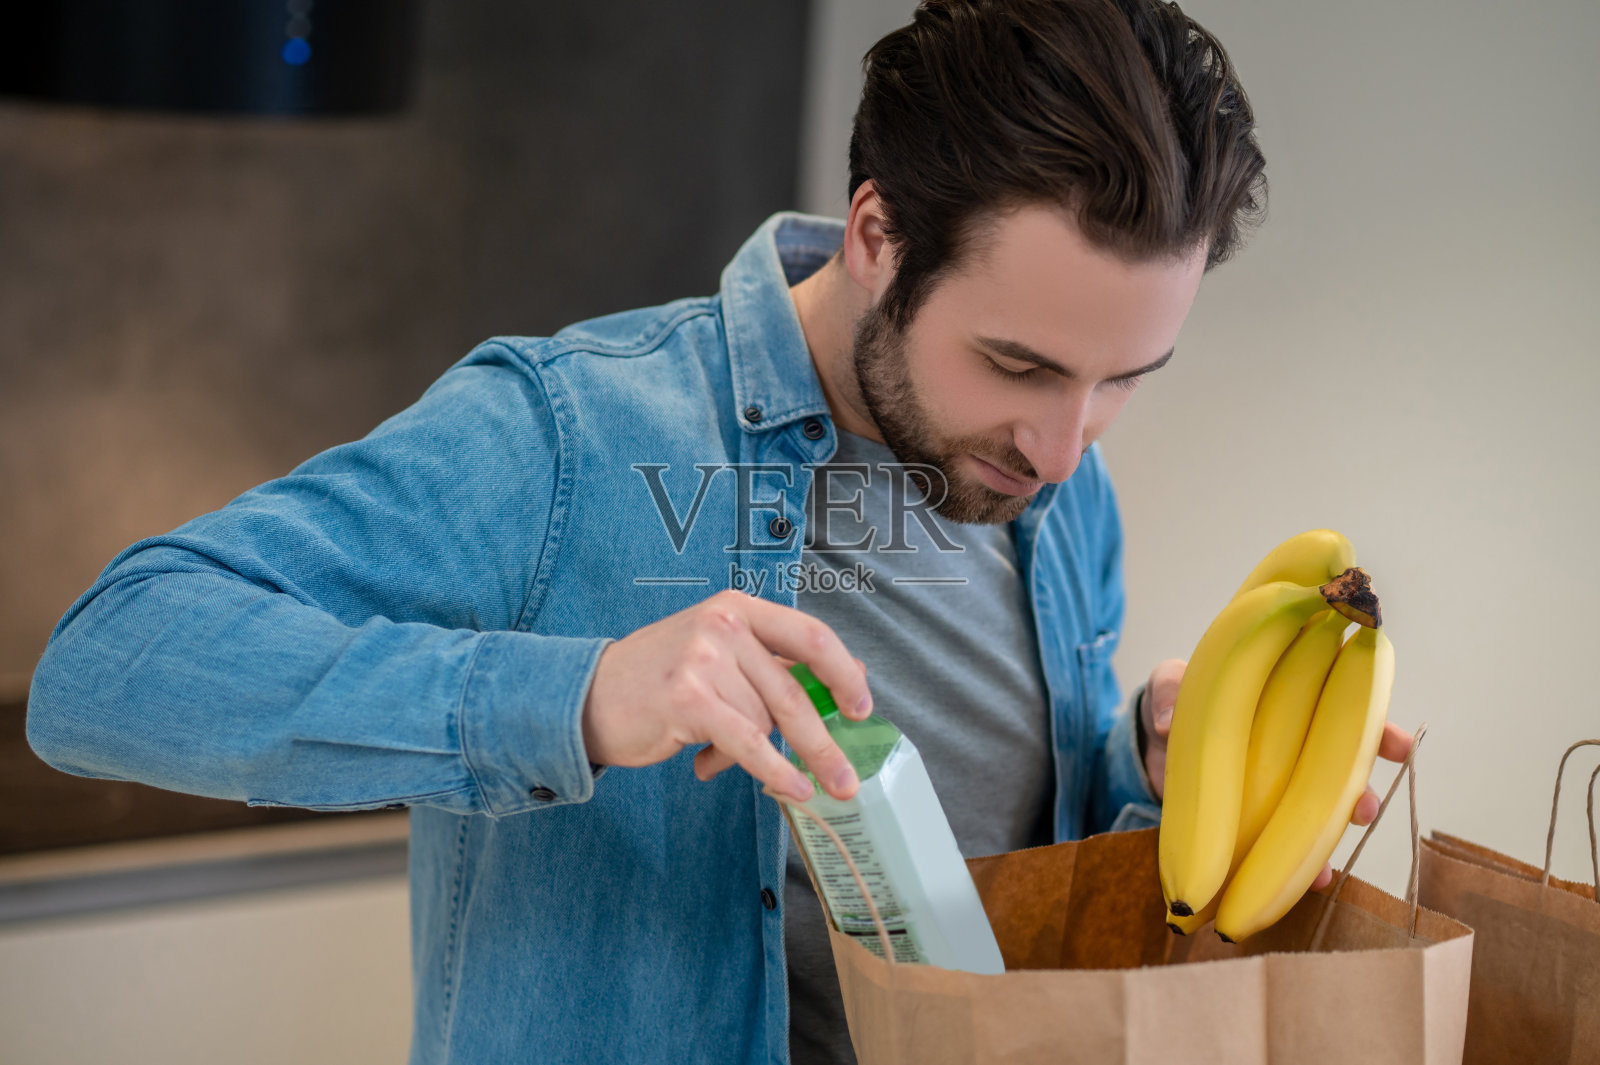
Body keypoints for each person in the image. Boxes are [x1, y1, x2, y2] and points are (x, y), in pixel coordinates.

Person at [27, 1, 1412, 1062]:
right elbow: (111, 662)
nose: (1063, 444)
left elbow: (992, 885)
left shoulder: (1061, 497)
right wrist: (576, 694)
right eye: (1023, 365)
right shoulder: (570, 431)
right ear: (877, 231)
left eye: (1123, 382)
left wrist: (1142, 776)